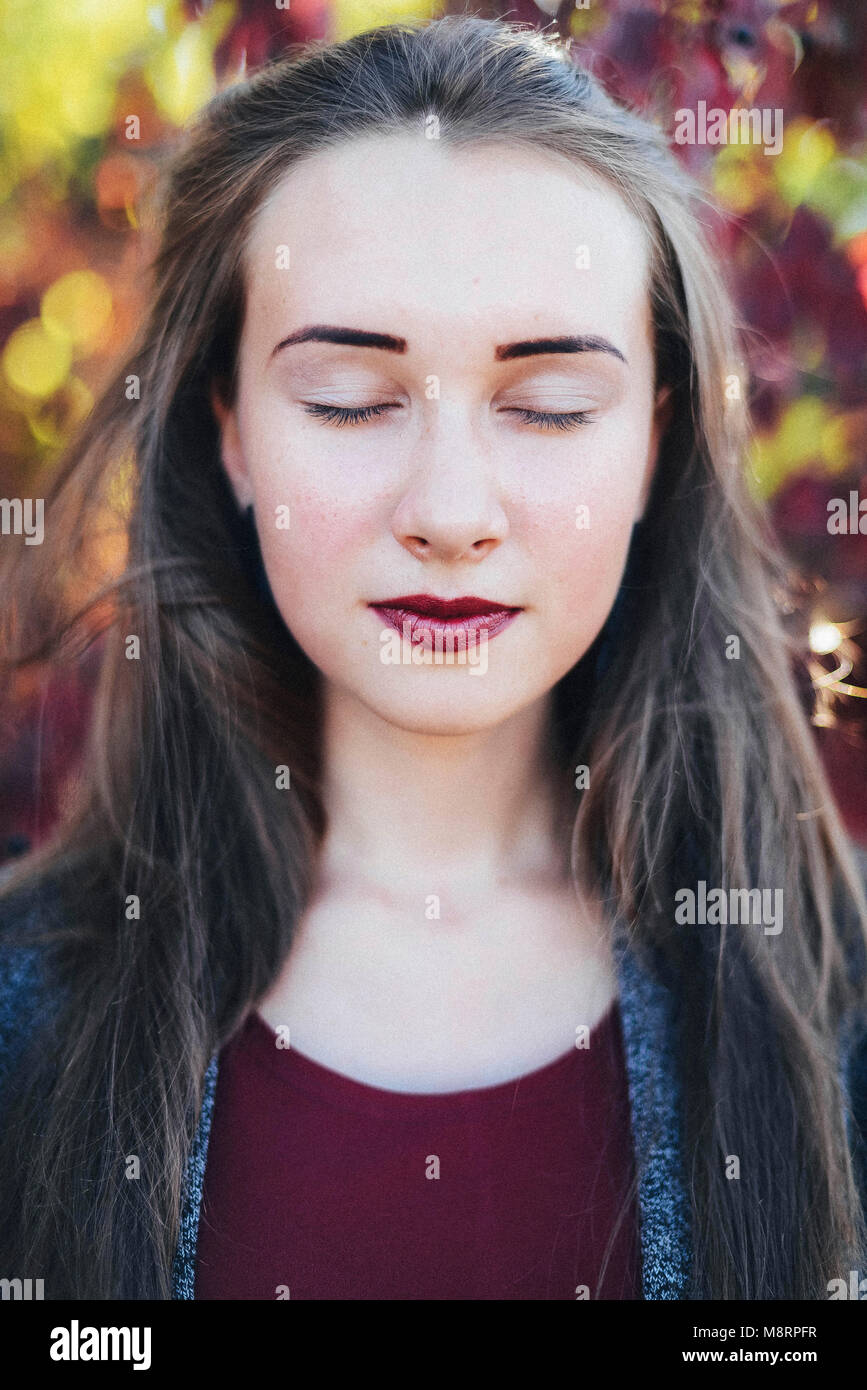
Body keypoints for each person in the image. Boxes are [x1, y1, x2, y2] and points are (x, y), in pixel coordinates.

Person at [0, 14, 865, 1302]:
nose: (451, 510)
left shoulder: (838, 1003)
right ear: (231, 431)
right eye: (351, 398)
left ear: (652, 444)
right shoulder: (24, 1015)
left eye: (550, 406)